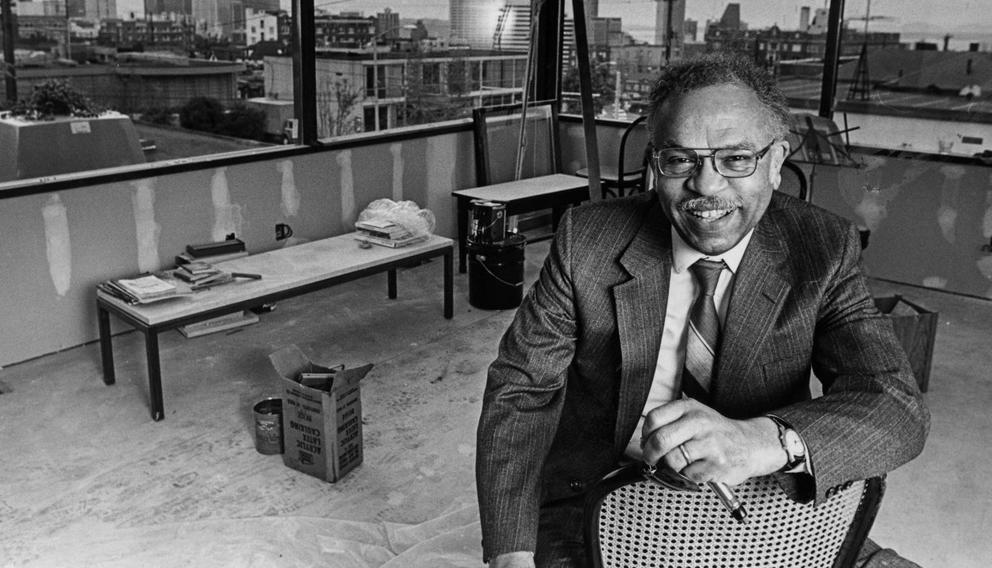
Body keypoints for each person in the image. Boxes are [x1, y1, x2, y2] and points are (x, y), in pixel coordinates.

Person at [475, 53, 930, 568]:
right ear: (655, 165)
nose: (707, 188)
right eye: (680, 160)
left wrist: (764, 441)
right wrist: (510, 554)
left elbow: (896, 406)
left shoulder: (822, 246)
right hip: (601, 490)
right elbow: (521, 389)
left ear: (777, 162)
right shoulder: (587, 239)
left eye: (737, 159)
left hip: (761, 495)